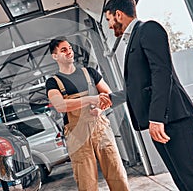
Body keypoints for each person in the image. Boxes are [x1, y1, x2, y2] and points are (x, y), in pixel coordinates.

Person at [104, 0, 193, 191]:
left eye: (109, 19)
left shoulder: (148, 29)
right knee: (181, 180)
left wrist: (156, 118)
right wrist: (113, 98)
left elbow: (162, 73)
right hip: (163, 121)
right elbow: (140, 85)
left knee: (192, 178)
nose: (109, 25)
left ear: (119, 14)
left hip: (172, 117)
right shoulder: (133, 38)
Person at [45, 37, 130, 191]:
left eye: (70, 48)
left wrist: (100, 109)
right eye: (63, 50)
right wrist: (91, 98)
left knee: (117, 173)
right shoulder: (53, 82)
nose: (69, 52)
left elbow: (109, 96)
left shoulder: (90, 73)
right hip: (76, 133)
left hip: (100, 128)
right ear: (55, 56)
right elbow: (60, 105)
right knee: (86, 181)